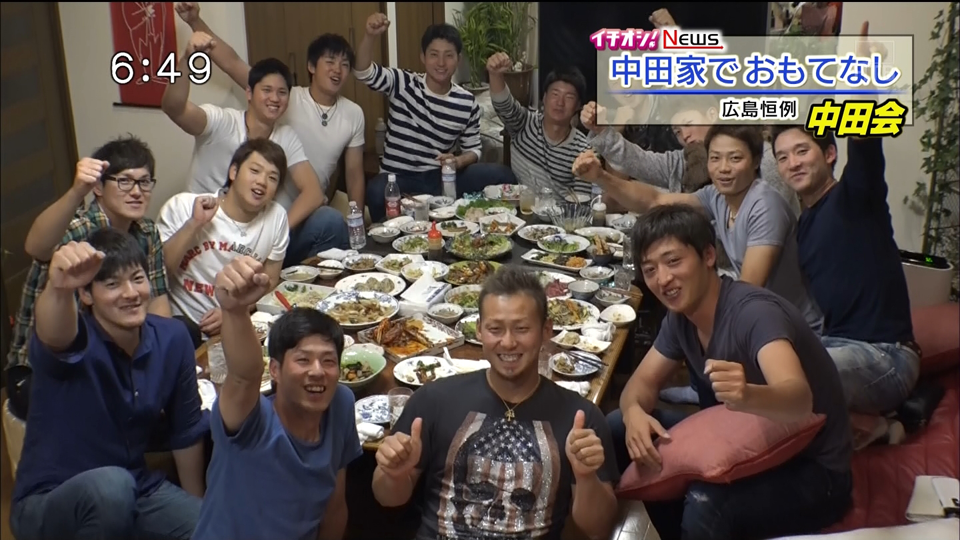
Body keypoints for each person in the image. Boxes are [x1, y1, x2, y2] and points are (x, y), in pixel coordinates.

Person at [609, 205, 852, 540]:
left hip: (814, 467)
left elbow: (799, 398)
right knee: (618, 426)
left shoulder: (754, 314)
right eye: (650, 269)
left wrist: (748, 394)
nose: (662, 279)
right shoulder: (680, 319)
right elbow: (639, 386)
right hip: (743, 440)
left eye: (673, 261)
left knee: (706, 503)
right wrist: (634, 413)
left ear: (708, 255)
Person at [373, 265, 620, 540]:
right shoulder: (433, 400)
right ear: (479, 330)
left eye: (522, 329)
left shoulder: (582, 421)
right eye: (495, 329)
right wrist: (394, 474)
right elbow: (387, 498)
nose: (508, 342)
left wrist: (586, 478)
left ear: (546, 330)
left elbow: (598, 528)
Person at [10, 228, 207, 540]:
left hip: (134, 488)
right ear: (86, 295)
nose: (130, 293)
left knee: (215, 528)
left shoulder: (172, 338)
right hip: (50, 500)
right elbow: (53, 335)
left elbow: (187, 431)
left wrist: (201, 515)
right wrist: (59, 289)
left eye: (138, 279)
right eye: (112, 284)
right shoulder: (75, 338)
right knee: (112, 488)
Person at [573, 125, 823, 333]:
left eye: (735, 158)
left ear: (756, 161)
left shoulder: (764, 205)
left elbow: (749, 288)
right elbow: (654, 201)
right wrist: (600, 176)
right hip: (761, 316)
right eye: (715, 158)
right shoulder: (717, 196)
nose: (723, 168)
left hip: (792, 328)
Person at [191, 258, 361, 540]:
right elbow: (244, 375)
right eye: (303, 360)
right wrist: (234, 310)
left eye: (328, 361)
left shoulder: (340, 404)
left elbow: (334, 508)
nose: (317, 371)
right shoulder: (249, 421)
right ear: (275, 370)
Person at [6, 135, 171, 421]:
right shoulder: (77, 229)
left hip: (108, 349)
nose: (137, 192)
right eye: (124, 181)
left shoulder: (146, 232)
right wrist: (75, 191)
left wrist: (162, 357)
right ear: (98, 187)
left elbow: (157, 300)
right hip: (43, 364)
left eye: (144, 182)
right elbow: (36, 247)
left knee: (180, 336)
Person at [771, 125, 920, 425]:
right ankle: (879, 426)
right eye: (782, 157)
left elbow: (865, 136)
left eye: (802, 151)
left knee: (794, 379)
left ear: (830, 154)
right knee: (767, 363)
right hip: (835, 344)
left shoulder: (856, 197)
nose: (793, 163)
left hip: (886, 356)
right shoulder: (804, 225)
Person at [162, 30, 348, 263]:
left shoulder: (285, 136)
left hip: (257, 239)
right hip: (209, 231)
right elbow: (174, 108)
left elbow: (313, 193)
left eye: (282, 93)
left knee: (329, 221)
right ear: (249, 93)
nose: (275, 99)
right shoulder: (221, 122)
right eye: (266, 90)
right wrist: (186, 59)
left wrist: (277, 232)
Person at [175, 2, 369, 218]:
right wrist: (195, 22)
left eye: (345, 64)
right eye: (330, 61)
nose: (337, 70)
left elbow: (354, 175)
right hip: (269, 206)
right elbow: (232, 62)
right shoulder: (284, 97)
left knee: (329, 220)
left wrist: (358, 222)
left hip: (308, 206)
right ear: (311, 66)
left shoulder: (353, 114)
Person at [355, 13, 517, 221]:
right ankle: (392, 231)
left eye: (448, 55)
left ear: (458, 60)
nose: (441, 63)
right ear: (423, 57)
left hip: (441, 176)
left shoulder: (466, 101)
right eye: (434, 55)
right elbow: (363, 72)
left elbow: (474, 150)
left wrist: (458, 161)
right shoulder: (403, 83)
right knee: (377, 189)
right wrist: (370, 35)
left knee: (502, 175)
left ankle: (494, 224)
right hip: (399, 177)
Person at [157, 139, 289, 347]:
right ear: (233, 172)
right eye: (255, 171)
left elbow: (270, 281)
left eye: (272, 178)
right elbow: (158, 274)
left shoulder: (277, 217)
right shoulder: (184, 206)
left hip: (237, 328)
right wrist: (194, 224)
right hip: (183, 332)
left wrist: (233, 311)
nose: (262, 182)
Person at [581, 97, 802, 216]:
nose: (684, 135)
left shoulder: (764, 157)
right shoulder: (685, 160)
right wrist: (602, 131)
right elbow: (641, 163)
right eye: (677, 131)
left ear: (713, 114)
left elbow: (775, 222)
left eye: (688, 124)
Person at [487, 52, 592, 197]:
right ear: (545, 97)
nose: (560, 102)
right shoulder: (525, 123)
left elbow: (582, 200)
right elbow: (505, 106)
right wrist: (495, 75)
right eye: (555, 94)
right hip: (519, 206)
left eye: (569, 97)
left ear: (578, 105)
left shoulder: (582, 149)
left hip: (558, 210)